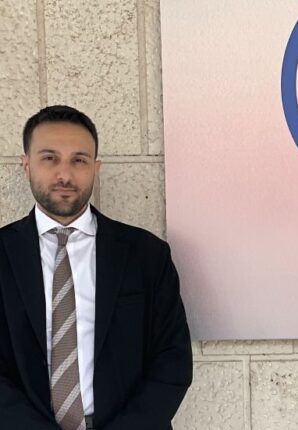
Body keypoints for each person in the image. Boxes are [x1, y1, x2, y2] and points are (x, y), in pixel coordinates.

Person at [0, 105, 192, 429]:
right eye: (49, 158)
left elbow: (172, 361)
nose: (64, 174)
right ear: (26, 165)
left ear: (95, 167)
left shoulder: (146, 254)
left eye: (79, 160)